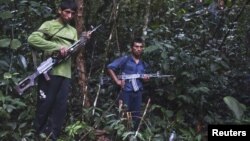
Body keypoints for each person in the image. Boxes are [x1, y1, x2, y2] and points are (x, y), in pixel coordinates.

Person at [28, 0, 90, 140]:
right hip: (49, 72)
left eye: (72, 13)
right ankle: (37, 135)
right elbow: (32, 39)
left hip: (65, 74)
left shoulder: (73, 31)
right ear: (60, 11)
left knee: (60, 108)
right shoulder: (50, 25)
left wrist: (83, 41)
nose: (69, 16)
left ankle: (52, 137)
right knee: (45, 105)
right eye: (67, 12)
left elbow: (74, 52)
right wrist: (56, 48)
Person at [107, 37, 149, 131]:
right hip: (126, 92)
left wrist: (146, 79)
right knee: (123, 116)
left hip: (138, 93)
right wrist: (117, 81)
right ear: (131, 48)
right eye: (136, 46)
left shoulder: (143, 64)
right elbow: (110, 67)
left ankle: (133, 135)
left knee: (136, 117)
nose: (138, 49)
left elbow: (144, 79)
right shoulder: (125, 59)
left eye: (140, 47)